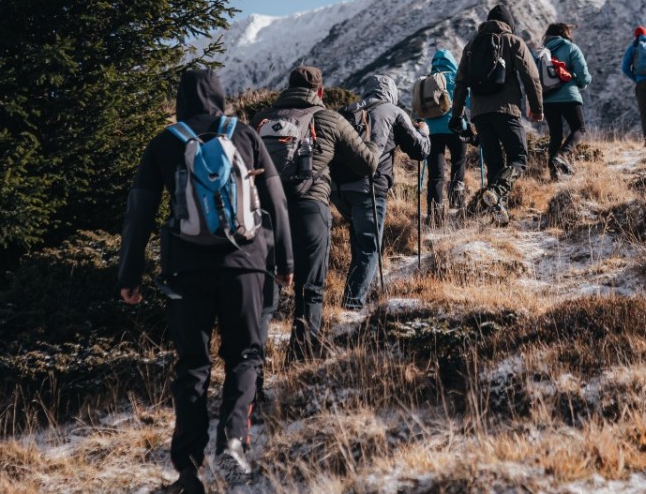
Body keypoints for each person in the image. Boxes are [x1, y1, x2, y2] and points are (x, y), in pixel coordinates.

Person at [117, 68, 292, 492]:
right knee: (245, 356)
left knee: (192, 368)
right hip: (246, 265)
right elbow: (277, 201)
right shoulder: (245, 136)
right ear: (220, 96)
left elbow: (138, 212)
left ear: (180, 100)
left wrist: (130, 273)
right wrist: (285, 261)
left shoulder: (164, 142)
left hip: (185, 271)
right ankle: (232, 442)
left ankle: (188, 472)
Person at [250, 66, 376, 360]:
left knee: (264, 293)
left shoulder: (261, 118)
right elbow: (367, 164)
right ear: (320, 91)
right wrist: (369, 137)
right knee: (310, 291)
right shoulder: (329, 119)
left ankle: (250, 370)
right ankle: (300, 364)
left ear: (287, 87)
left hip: (264, 212)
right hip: (310, 209)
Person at [332, 75, 430, 310]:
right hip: (369, 189)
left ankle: (361, 292)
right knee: (369, 246)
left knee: (360, 243)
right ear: (391, 92)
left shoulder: (346, 111)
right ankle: (352, 306)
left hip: (338, 190)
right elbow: (419, 151)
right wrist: (425, 132)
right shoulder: (393, 111)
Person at [450, 5, 543, 223]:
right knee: (519, 158)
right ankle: (497, 193)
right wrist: (537, 108)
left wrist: (456, 115)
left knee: (495, 164)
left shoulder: (471, 46)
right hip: (506, 110)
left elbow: (460, 84)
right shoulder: (512, 41)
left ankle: (499, 217)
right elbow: (531, 76)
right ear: (509, 23)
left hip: (480, 114)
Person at [421, 48, 470, 220]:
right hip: (456, 129)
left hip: (432, 133)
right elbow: (469, 101)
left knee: (435, 174)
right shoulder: (457, 79)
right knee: (458, 163)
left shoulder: (428, 81)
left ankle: (434, 214)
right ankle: (457, 207)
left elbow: (421, 110)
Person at [539, 23, 591, 180]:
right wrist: (581, 83)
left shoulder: (541, 53)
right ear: (565, 33)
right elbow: (583, 75)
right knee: (579, 128)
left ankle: (554, 173)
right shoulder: (570, 48)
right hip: (569, 96)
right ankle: (562, 155)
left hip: (547, 99)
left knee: (556, 134)